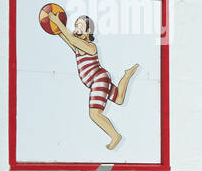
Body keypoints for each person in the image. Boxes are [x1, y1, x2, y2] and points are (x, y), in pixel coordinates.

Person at [45, 10, 138, 150]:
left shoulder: (90, 47)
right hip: (101, 78)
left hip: (98, 79)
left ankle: (115, 136)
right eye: (76, 26)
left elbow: (71, 39)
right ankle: (126, 76)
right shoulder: (78, 46)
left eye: (81, 27)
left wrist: (58, 22)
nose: (77, 29)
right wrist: (57, 30)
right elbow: (68, 40)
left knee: (94, 114)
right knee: (119, 99)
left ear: (88, 31)